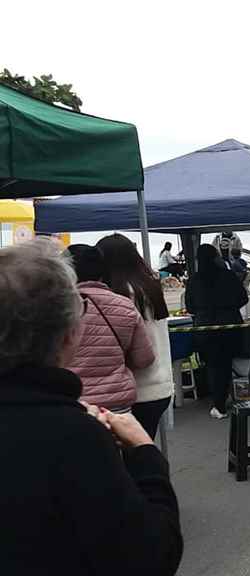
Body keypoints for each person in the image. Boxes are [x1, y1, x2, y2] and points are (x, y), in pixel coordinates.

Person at [0, 240, 182, 576]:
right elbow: (150, 555)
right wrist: (146, 454)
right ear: (68, 333)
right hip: (116, 406)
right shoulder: (72, 437)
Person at [97, 233, 174, 439]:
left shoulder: (121, 295)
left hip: (135, 389)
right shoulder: (150, 287)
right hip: (160, 384)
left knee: (129, 461)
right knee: (141, 453)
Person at [66, 245, 155, 413]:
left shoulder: (56, 308)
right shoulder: (125, 306)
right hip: (117, 405)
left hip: (72, 402)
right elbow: (144, 359)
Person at [185, 244, 249, 419]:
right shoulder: (228, 276)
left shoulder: (194, 280)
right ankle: (222, 400)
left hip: (205, 327)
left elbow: (189, 306)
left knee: (213, 365)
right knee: (226, 363)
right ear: (216, 257)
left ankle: (218, 402)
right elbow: (243, 297)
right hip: (229, 324)